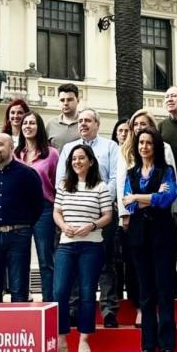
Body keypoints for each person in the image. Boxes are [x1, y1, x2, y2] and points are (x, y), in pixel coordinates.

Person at [56, 109, 120, 327]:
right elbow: (61, 180)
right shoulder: (68, 149)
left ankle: (109, 310)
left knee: (106, 263)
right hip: (72, 216)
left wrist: (98, 201)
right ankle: (74, 310)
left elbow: (114, 178)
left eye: (88, 120)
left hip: (102, 212)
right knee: (72, 266)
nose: (83, 124)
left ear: (97, 124)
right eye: (80, 120)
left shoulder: (110, 147)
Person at [122, 127, 177, 352]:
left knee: (164, 290)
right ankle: (148, 343)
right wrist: (147, 198)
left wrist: (139, 197)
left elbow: (168, 198)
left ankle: (167, 343)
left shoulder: (166, 171)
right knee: (145, 292)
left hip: (162, 235)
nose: (144, 147)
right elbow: (128, 203)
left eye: (149, 143)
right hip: (138, 236)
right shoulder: (132, 173)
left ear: (156, 147)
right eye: (141, 143)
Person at [53, 144, 113, 352]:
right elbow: (57, 212)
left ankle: (84, 340)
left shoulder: (100, 186)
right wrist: (63, 226)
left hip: (91, 245)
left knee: (87, 293)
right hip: (66, 244)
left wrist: (92, 225)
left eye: (81, 158)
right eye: (74, 159)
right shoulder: (63, 185)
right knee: (60, 291)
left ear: (90, 161)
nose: (77, 162)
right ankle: (61, 339)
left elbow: (108, 215)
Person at [0, 133, 44, 303]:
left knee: (19, 290)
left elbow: (37, 206)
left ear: (11, 147)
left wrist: (23, 226)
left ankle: (18, 329)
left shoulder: (28, 174)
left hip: (18, 236)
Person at [16, 112, 60, 302]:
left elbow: (58, 183)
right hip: (19, 210)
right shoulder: (15, 154)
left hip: (44, 208)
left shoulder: (51, 153)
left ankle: (49, 302)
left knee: (45, 258)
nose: (28, 126)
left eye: (32, 123)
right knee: (19, 258)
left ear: (39, 127)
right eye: (25, 123)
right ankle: (22, 300)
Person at [46, 83, 81, 149]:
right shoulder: (51, 124)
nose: (65, 103)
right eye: (62, 100)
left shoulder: (85, 122)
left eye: (69, 100)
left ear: (78, 100)